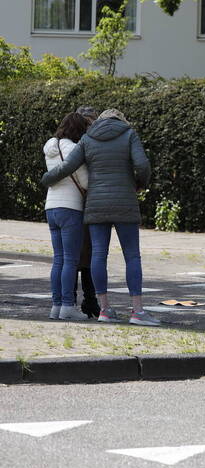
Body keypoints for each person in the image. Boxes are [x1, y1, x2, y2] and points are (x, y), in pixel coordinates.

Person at [41, 108, 157, 326]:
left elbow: (68, 166)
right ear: (121, 120)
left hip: (96, 204)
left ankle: (104, 309)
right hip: (124, 202)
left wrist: (47, 178)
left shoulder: (87, 138)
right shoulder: (129, 134)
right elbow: (142, 165)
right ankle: (138, 312)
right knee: (132, 255)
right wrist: (140, 184)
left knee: (98, 255)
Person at [42, 111, 92, 321]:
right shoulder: (73, 149)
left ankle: (56, 306)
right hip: (70, 208)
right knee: (71, 260)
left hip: (51, 206)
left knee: (58, 260)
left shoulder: (50, 147)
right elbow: (86, 181)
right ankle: (67, 307)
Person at [73, 106, 101, 318]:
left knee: (86, 254)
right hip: (80, 202)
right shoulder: (84, 144)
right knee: (79, 254)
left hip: (85, 202)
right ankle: (81, 300)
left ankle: (87, 300)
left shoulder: (76, 142)